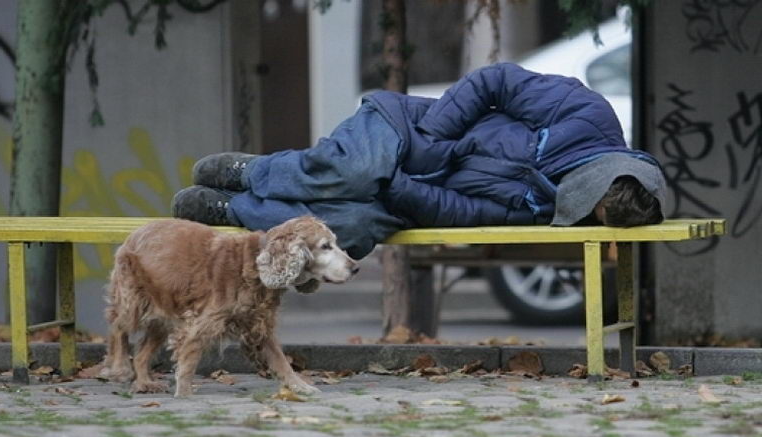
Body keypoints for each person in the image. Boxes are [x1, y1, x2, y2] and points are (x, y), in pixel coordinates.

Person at [172, 62, 666, 260]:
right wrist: (434, 135)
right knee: (356, 170)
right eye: (585, 201)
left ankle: (235, 210)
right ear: (602, 170)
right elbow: (493, 81)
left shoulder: (550, 209)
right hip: (406, 130)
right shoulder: (586, 113)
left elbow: (464, 213)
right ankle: (251, 173)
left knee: (352, 228)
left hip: (409, 193)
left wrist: (404, 192)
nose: (572, 209)